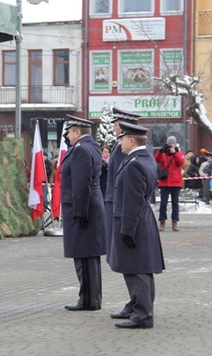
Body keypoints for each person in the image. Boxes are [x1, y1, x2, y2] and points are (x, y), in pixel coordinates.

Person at [108, 121, 164, 329]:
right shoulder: (143, 158)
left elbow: (132, 200)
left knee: (136, 269)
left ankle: (142, 315)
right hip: (142, 219)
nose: (120, 143)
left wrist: (128, 230)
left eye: (122, 139)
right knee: (142, 268)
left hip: (135, 221)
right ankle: (142, 310)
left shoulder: (135, 163)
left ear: (131, 140)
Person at [59, 115, 107, 311]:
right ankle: (90, 298)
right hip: (89, 206)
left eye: (69, 132)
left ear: (77, 132)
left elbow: (81, 184)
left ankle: (88, 299)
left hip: (82, 207)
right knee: (87, 255)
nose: (67, 136)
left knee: (84, 255)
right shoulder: (91, 147)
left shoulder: (80, 151)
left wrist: (80, 212)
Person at [104, 107, 143, 260]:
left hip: (117, 200)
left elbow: (123, 176)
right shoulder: (119, 144)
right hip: (112, 198)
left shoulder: (126, 147)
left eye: (116, 124)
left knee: (119, 252)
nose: (114, 127)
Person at [155, 136, 185, 231]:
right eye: (169, 143)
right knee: (163, 204)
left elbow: (180, 162)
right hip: (164, 182)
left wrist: (174, 153)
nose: (171, 144)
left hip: (175, 183)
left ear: (175, 144)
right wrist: (160, 151)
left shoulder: (179, 153)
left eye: (172, 143)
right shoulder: (164, 154)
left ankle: (174, 222)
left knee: (175, 204)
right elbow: (156, 160)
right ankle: (162, 222)